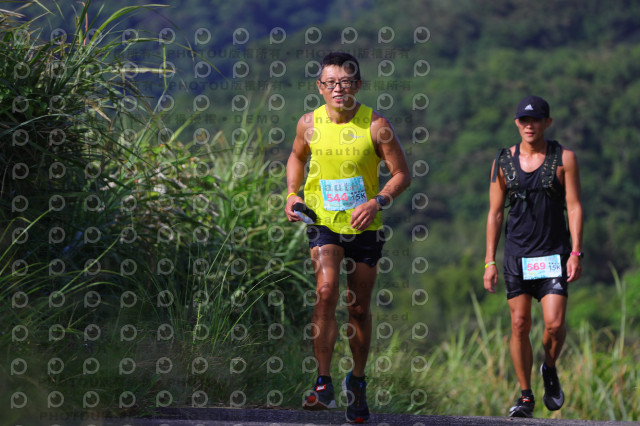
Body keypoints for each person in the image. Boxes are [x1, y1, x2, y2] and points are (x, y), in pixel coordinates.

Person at [285, 51, 410, 423]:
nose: (338, 89)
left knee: (358, 307)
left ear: (357, 85)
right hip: (323, 222)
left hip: (364, 226)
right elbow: (296, 157)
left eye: (345, 82)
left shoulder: (377, 125)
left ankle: (356, 380)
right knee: (326, 292)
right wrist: (292, 194)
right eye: (331, 83)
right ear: (320, 87)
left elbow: (402, 174)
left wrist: (377, 201)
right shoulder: (308, 123)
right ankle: (323, 381)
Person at [483, 95, 583, 418]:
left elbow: (574, 206)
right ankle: (526, 396)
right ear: (517, 123)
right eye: (524, 120)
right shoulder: (503, 161)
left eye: (536, 120)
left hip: (553, 254)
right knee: (519, 324)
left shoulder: (564, 158)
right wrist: (489, 261)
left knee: (554, 325)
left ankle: (549, 368)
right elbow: (495, 213)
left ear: (547, 123)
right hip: (517, 255)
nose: (530, 126)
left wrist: (576, 252)